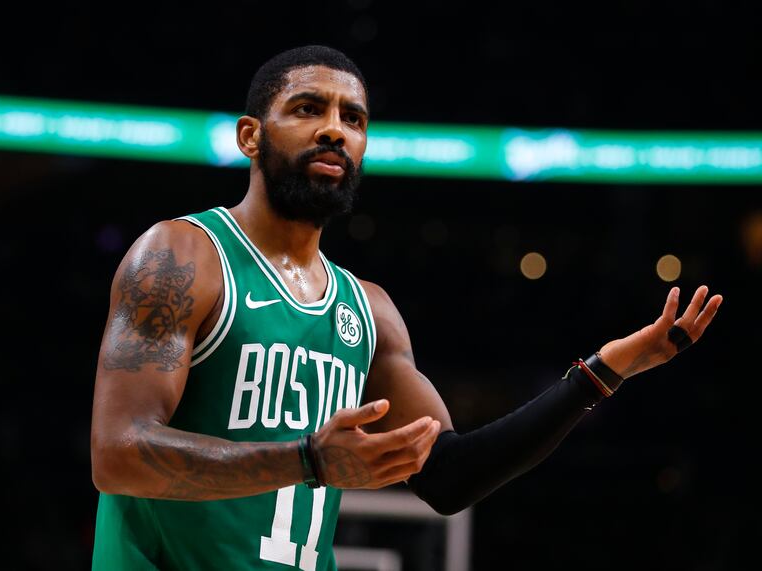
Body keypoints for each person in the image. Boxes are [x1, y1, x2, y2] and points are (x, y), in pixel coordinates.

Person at [90, 45, 723, 570]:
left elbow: (449, 478)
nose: (335, 128)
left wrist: (601, 372)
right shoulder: (181, 255)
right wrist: (308, 460)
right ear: (250, 136)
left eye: (354, 118)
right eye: (308, 109)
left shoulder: (369, 310)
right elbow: (117, 454)